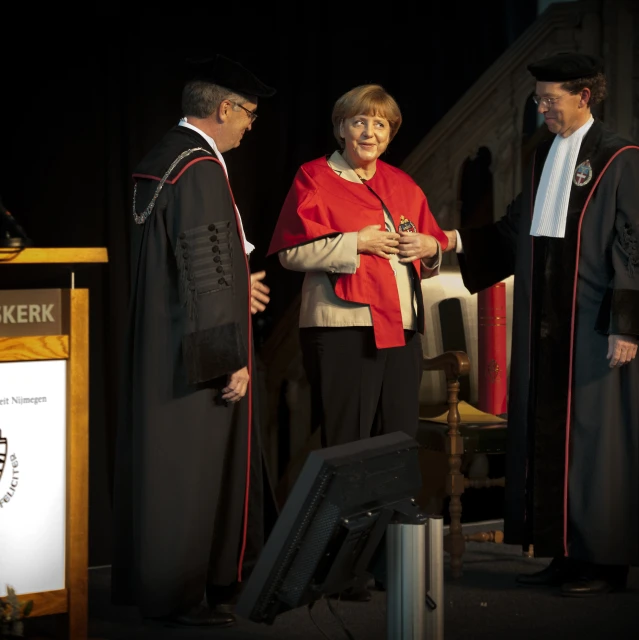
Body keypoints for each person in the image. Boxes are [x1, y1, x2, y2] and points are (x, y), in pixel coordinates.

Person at [441, 52, 639, 596]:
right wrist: (451, 242)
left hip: (594, 327)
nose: (543, 108)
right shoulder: (543, 154)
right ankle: (561, 550)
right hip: (545, 324)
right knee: (548, 437)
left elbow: (634, 244)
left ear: (585, 97)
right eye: (539, 100)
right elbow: (512, 229)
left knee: (596, 441)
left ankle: (603, 563)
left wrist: (628, 325)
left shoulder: (620, 156)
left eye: (551, 100)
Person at [110, 53, 276, 628]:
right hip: (197, 354)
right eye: (248, 114)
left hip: (163, 343)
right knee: (192, 469)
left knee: (166, 466)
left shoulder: (166, 157)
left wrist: (242, 286)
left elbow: (196, 257)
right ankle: (184, 597)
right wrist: (227, 359)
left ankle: (158, 586)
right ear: (225, 108)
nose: (250, 126)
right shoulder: (200, 166)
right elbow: (204, 273)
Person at [267, 84, 448, 598]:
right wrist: (356, 242)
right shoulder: (315, 177)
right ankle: (339, 568)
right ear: (341, 127)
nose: (370, 132)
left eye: (381, 124)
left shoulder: (402, 183)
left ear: (390, 135)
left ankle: (392, 563)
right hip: (341, 326)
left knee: (397, 444)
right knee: (349, 446)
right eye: (359, 122)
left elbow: (430, 249)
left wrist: (429, 245)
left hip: (402, 328)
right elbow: (289, 254)